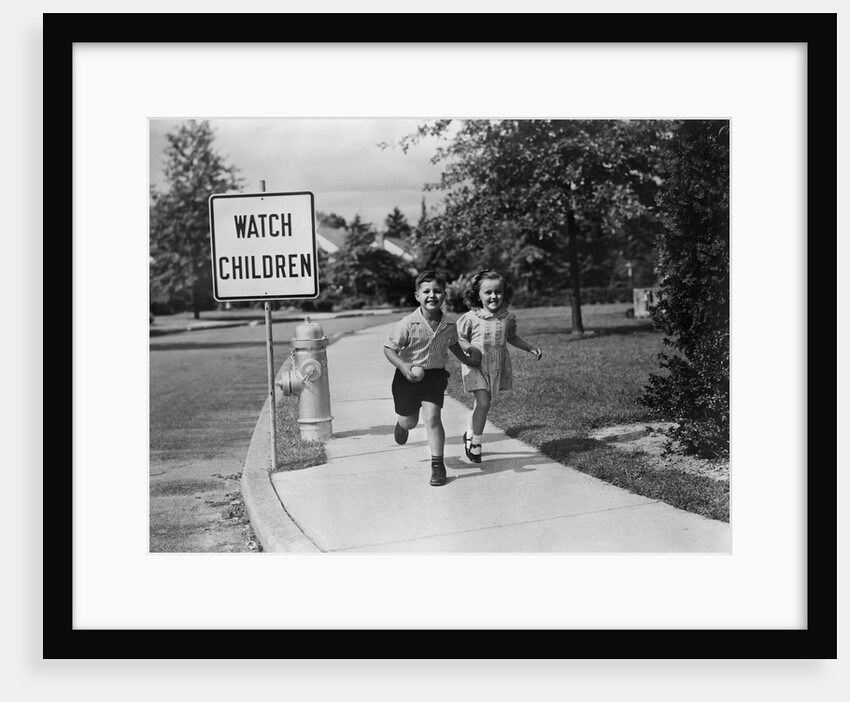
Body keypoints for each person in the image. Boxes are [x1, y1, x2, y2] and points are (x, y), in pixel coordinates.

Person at [384, 269, 480, 487]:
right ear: (417, 296)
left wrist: (466, 359)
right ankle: (401, 424)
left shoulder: (448, 324)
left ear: (444, 294)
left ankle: (437, 465)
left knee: (432, 418)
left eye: (437, 291)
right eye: (426, 291)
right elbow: (389, 348)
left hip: (434, 376)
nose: (432, 295)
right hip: (407, 375)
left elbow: (453, 345)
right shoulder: (408, 323)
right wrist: (403, 365)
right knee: (410, 422)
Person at [456, 269, 543, 464]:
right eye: (488, 292)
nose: (494, 296)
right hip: (475, 365)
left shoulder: (507, 318)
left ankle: (469, 433)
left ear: (505, 293)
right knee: (484, 403)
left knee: (482, 405)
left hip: (496, 365)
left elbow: (510, 337)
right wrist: (469, 347)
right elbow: (459, 338)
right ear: (477, 295)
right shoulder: (471, 317)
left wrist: (529, 347)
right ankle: (476, 444)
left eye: (498, 292)